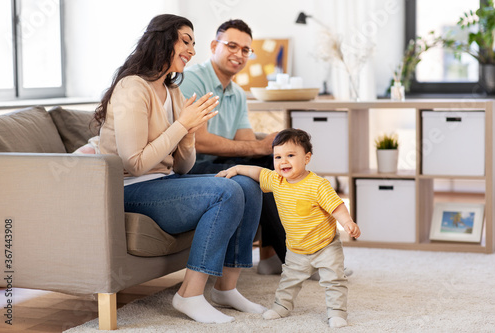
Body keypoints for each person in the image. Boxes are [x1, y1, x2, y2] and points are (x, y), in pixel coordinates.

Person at [93, 14, 266, 324]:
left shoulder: (172, 91)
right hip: (129, 188)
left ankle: (226, 288)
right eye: (185, 41)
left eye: (193, 43)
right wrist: (182, 124)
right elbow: (135, 162)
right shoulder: (133, 87)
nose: (191, 50)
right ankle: (189, 294)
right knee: (225, 191)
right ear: (162, 41)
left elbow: (183, 168)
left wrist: (187, 133)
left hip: (163, 182)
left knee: (248, 184)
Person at [216, 128, 361, 328]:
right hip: (296, 248)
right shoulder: (277, 180)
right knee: (289, 281)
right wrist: (238, 168)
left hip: (325, 245)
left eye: (291, 155)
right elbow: (258, 172)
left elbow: (336, 206)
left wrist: (347, 222)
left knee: (334, 280)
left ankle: (337, 312)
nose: (283, 161)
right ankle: (282, 306)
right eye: (278, 156)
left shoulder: (318, 185)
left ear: (307, 158)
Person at [179, 19, 286, 274]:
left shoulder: (237, 93)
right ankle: (294, 257)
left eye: (245, 50)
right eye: (232, 46)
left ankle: (277, 256)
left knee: (275, 163)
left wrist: (269, 147)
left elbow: (247, 141)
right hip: (190, 166)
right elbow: (199, 140)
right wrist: (257, 148)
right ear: (214, 45)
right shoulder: (192, 81)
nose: (239, 54)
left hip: (218, 164)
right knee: (261, 165)